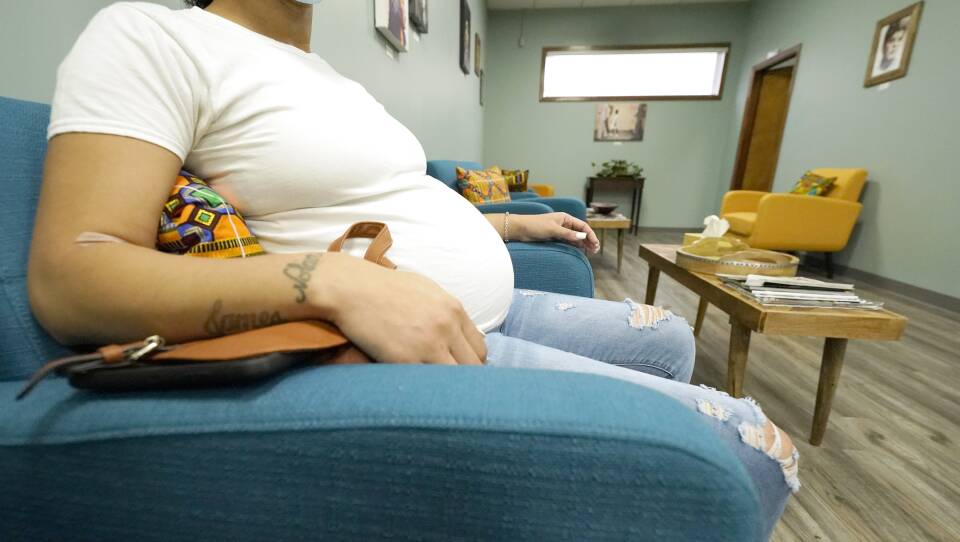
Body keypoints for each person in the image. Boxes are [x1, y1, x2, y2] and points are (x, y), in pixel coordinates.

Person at [28, 0, 797, 537]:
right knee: (750, 448)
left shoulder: (333, 78)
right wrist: (332, 281)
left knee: (665, 337)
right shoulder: (153, 37)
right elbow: (73, 276)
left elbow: (389, 195)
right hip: (404, 337)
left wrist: (511, 222)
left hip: (480, 302)